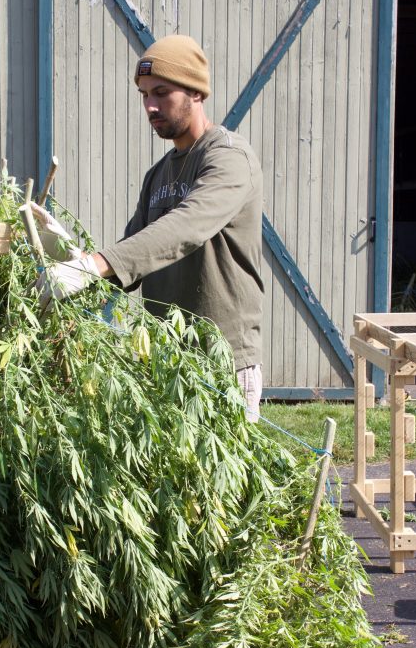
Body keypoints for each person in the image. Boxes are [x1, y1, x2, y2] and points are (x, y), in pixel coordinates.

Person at [31, 35, 264, 422]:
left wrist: (94, 264)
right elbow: (132, 257)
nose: (151, 106)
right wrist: (70, 255)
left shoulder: (228, 158)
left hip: (224, 360)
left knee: (217, 481)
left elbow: (186, 226)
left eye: (161, 92)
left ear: (196, 92)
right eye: (143, 95)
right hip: (167, 354)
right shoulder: (157, 175)